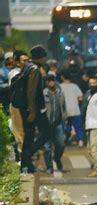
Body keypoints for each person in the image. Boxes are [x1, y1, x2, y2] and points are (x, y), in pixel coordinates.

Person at [20, 45, 51, 173]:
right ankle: (28, 156)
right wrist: (32, 111)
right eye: (44, 56)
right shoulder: (34, 70)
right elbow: (31, 92)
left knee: (29, 137)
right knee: (47, 133)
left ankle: (26, 165)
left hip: (27, 108)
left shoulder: (26, 67)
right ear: (39, 57)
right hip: (35, 110)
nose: (45, 59)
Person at [43, 74, 67, 174]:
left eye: (52, 80)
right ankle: (49, 167)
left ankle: (57, 158)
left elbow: (64, 107)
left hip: (58, 123)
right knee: (47, 147)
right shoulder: (43, 94)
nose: (51, 82)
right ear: (46, 82)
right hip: (47, 124)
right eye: (49, 81)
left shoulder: (60, 93)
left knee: (61, 144)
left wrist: (65, 120)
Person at [60, 70, 85, 147]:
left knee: (66, 126)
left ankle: (66, 137)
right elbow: (81, 98)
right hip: (75, 109)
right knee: (78, 126)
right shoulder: (74, 86)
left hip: (65, 110)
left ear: (62, 77)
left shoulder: (60, 86)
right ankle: (80, 141)